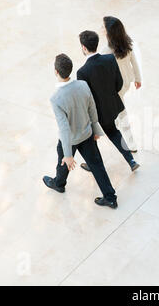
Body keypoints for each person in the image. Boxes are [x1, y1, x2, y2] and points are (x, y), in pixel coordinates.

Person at [43, 53, 118, 209]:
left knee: (63, 161)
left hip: (70, 140)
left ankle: (59, 183)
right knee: (97, 166)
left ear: (56, 72)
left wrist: (69, 155)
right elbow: (92, 109)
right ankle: (110, 197)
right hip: (87, 134)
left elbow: (64, 128)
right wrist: (96, 129)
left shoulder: (56, 99)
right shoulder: (83, 85)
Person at [77, 30, 140, 173]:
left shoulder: (82, 72)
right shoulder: (110, 59)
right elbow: (119, 83)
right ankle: (131, 159)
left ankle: (93, 165)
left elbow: (85, 98)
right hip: (113, 105)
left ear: (84, 48)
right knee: (115, 133)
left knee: (91, 140)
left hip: (97, 112)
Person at [101, 16, 142, 152]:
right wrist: (138, 78)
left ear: (109, 32)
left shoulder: (106, 51)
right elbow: (134, 61)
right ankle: (118, 121)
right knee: (120, 107)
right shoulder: (126, 41)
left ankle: (131, 144)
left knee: (122, 112)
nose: (101, 28)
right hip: (126, 82)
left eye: (103, 27)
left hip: (116, 86)